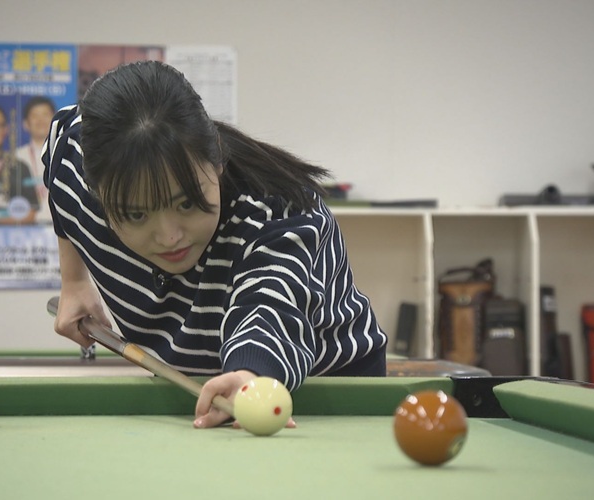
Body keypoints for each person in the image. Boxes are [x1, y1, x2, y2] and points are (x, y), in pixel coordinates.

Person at [43, 61, 387, 430]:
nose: (169, 237)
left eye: (186, 203)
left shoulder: (277, 212)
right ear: (94, 190)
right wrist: (73, 282)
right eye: (137, 215)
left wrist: (251, 375)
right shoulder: (77, 160)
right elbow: (58, 145)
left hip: (320, 392)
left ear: (217, 160)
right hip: (200, 390)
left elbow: (271, 302)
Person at [15, 96, 55, 223]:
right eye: (35, 116)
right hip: (26, 226)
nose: (40, 120)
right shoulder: (16, 157)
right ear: (25, 124)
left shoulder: (66, 153)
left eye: (45, 115)